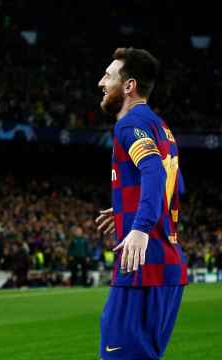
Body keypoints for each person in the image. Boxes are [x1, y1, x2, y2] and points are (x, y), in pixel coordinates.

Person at [94, 47, 187, 360]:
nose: (101, 82)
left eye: (108, 75)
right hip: (168, 267)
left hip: (143, 266)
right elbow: (173, 188)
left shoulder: (129, 124)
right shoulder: (162, 128)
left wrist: (140, 227)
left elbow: (151, 170)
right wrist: (125, 211)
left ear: (129, 86)